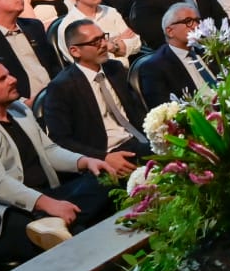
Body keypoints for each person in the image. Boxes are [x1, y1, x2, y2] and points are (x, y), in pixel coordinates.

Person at [0, 58, 114, 261]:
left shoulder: (19, 110)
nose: (13, 80)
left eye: (9, 74)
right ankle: (57, 224)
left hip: (42, 194)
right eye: (3, 79)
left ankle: (52, 222)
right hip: (2, 210)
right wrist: (48, 204)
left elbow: (49, 151)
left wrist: (85, 161)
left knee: (104, 177)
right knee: (75, 234)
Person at [40, 19, 150, 176]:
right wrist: (103, 158)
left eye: (103, 38)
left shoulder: (115, 69)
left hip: (136, 140)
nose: (104, 45)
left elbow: (136, 111)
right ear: (75, 51)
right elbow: (60, 140)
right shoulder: (61, 87)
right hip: (103, 154)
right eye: (95, 42)